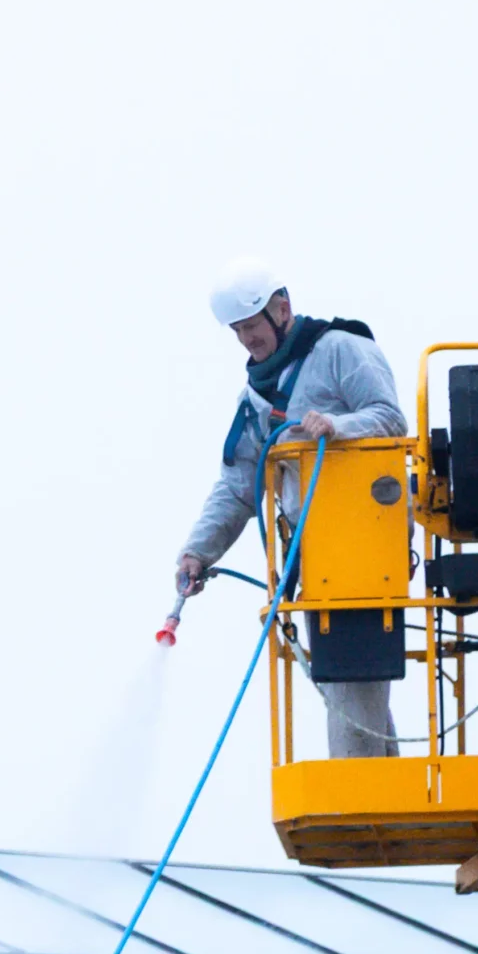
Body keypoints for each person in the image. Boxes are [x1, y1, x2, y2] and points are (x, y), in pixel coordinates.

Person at [177, 259, 407, 757]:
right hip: (317, 555)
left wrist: (337, 427)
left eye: (252, 327)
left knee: (350, 674)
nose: (247, 340)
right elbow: (239, 484)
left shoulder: (342, 350)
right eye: (238, 331)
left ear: (282, 309)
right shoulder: (256, 398)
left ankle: (359, 797)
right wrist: (198, 552)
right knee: (345, 682)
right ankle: (381, 785)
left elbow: (390, 418)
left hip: (366, 544)